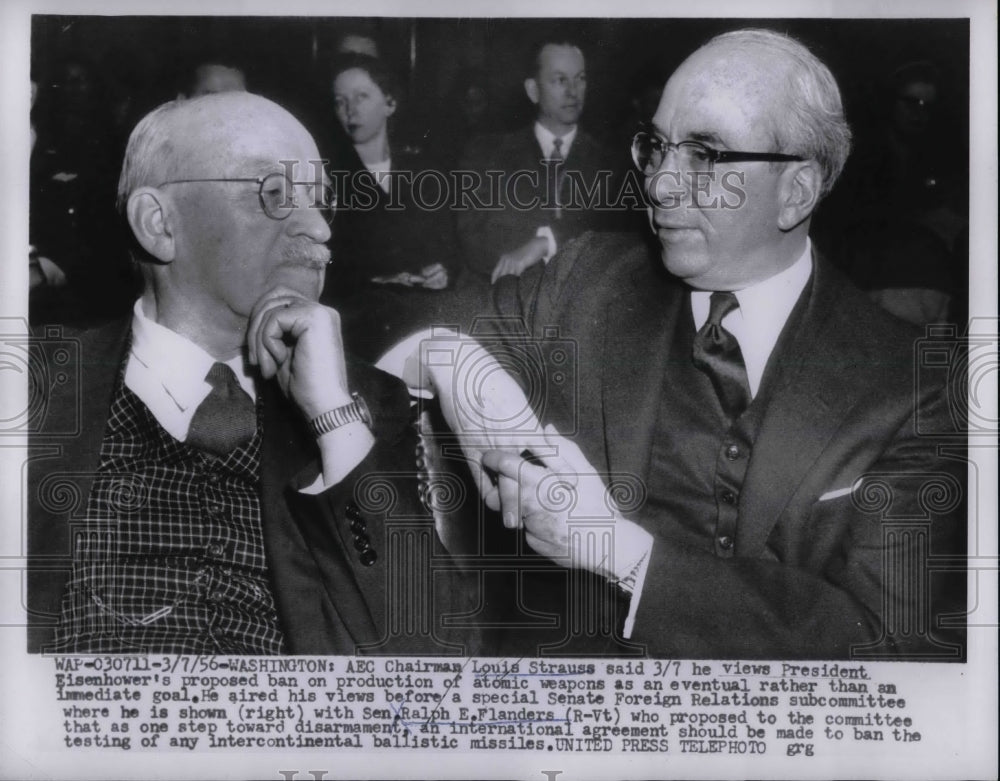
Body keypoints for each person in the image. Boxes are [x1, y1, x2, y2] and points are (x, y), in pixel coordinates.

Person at [472, 29, 965, 659]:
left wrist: (618, 551)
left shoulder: (917, 383)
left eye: (704, 155)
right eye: (656, 147)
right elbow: (440, 341)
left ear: (797, 190)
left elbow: (885, 646)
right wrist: (487, 415)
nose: (659, 186)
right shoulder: (588, 280)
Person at [27, 92, 474, 656]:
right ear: (158, 223)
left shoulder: (362, 406)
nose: (318, 229)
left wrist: (333, 419)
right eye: (276, 194)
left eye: (321, 203)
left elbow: (436, 657)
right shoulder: (34, 387)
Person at [321, 53, 459, 361]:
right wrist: (379, 280)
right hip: (359, 326)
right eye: (340, 101)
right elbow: (326, 265)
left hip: (424, 314)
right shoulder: (326, 177)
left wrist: (444, 270)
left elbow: (449, 243)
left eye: (362, 97)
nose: (350, 110)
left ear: (390, 103)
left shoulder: (424, 171)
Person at [455, 40, 624, 284]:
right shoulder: (486, 154)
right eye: (559, 80)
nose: (573, 91)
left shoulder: (613, 164)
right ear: (533, 90)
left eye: (580, 78)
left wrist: (547, 242)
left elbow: (620, 243)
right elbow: (471, 238)